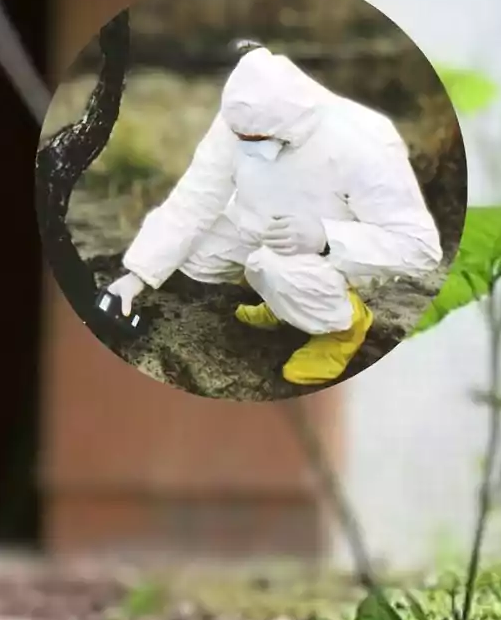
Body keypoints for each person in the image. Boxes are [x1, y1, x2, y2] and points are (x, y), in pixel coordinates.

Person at [106, 46, 443, 386]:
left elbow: (419, 248)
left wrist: (326, 238)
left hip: (337, 249)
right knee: (196, 253)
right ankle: (284, 302)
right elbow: (193, 199)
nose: (249, 146)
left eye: (260, 139)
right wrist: (138, 275)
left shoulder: (364, 141)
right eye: (243, 139)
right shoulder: (241, 117)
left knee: (273, 266)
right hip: (263, 223)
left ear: (291, 124)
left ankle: (343, 326)